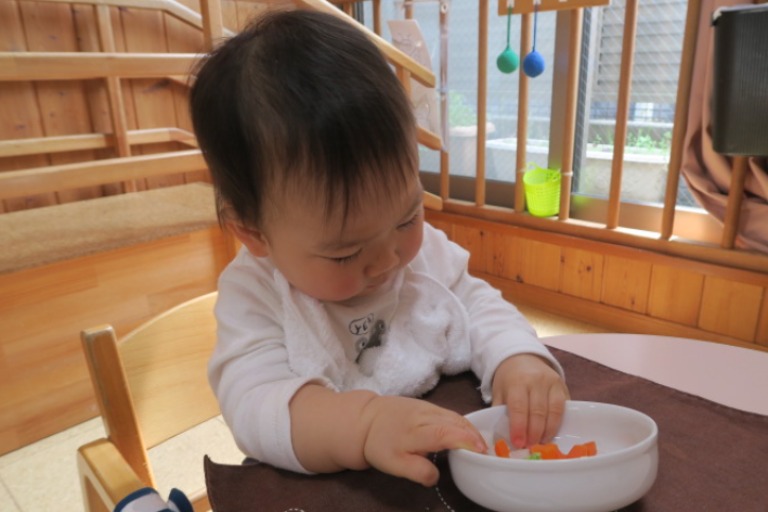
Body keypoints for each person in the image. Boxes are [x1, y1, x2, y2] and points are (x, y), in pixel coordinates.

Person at [190, 9, 569, 487]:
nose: (389, 259)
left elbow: (474, 305)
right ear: (255, 234)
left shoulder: (421, 255)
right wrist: (364, 424)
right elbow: (255, 408)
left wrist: (516, 356)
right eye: (345, 253)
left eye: (408, 218)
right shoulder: (257, 296)